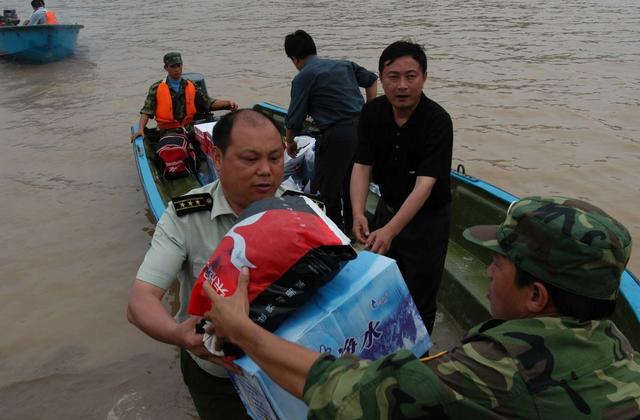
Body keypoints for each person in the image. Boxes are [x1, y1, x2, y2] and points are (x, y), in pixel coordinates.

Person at [201, 195, 640, 418]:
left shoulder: (501, 371)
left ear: (536, 296)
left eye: (499, 262)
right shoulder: (618, 346)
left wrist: (241, 329)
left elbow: (347, 393)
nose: (487, 271)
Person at [127, 109, 285, 419]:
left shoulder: (302, 212)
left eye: (275, 158)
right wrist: (178, 334)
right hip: (217, 377)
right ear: (216, 157)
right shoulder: (185, 217)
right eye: (250, 159)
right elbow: (140, 301)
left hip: (284, 368)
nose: (266, 171)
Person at [350, 40, 453, 334]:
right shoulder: (371, 114)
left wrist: (391, 231)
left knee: (421, 292)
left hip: (428, 221)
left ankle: (417, 358)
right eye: (393, 76)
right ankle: (383, 342)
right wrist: (359, 212)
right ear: (381, 79)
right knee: (382, 283)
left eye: (411, 76)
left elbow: (425, 185)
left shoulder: (438, 121)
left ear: (424, 78)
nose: (402, 85)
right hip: (388, 209)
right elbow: (361, 166)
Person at [283, 30, 378, 233]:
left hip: (336, 137)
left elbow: (294, 118)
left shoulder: (303, 78)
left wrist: (289, 142)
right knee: (353, 184)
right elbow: (371, 80)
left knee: (328, 192)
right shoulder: (345, 65)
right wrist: (370, 112)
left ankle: (337, 236)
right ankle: (356, 230)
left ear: (294, 59)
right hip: (362, 131)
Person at [130, 52, 238, 146]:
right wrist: (141, 129)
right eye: (173, 66)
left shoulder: (191, 85)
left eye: (179, 65)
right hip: (168, 132)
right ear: (166, 68)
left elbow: (207, 103)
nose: (177, 69)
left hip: (190, 130)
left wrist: (227, 104)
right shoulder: (156, 88)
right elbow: (146, 111)